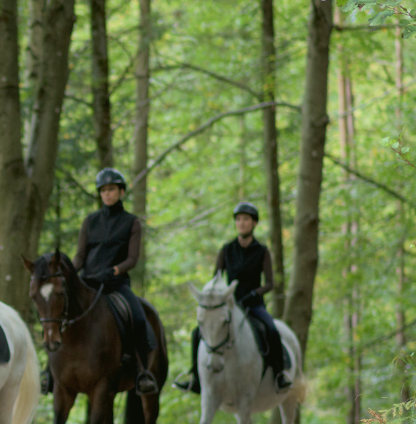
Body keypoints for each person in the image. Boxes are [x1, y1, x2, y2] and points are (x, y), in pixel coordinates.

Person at [174, 202, 291, 393]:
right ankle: (195, 377)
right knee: (197, 333)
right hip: (228, 304)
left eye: (246, 219)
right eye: (238, 219)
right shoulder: (227, 249)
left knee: (271, 329)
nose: (241, 223)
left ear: (254, 223)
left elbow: (270, 283)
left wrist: (255, 294)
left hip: (253, 305)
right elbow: (216, 278)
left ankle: (279, 375)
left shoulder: (262, 251)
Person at [70, 168, 158, 395]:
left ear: (120, 191)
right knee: (61, 312)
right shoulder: (89, 222)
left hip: (116, 284)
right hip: (88, 282)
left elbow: (132, 259)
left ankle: (142, 372)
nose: (107, 194)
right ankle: (50, 373)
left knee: (138, 317)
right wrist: (69, 273)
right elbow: (80, 256)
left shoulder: (131, 222)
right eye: (103, 191)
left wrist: (114, 271)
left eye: (111, 190)